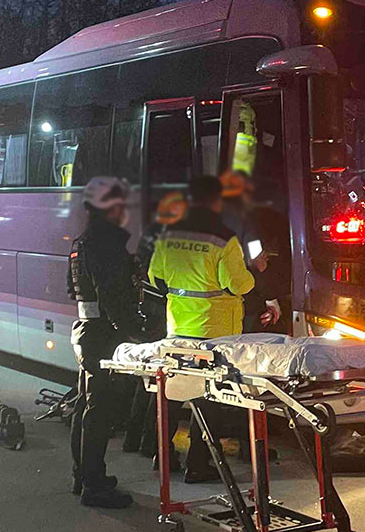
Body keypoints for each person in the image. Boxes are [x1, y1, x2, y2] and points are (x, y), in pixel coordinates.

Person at [148, 175, 258, 483]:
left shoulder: (169, 234)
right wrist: (254, 273)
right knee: (208, 398)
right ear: (216, 201)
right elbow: (237, 284)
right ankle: (198, 463)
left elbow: (155, 277)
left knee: (172, 394)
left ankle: (163, 456)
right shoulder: (224, 238)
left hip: (177, 328)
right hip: (213, 330)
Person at [67, 176, 144, 509]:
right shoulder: (107, 242)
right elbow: (111, 294)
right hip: (102, 335)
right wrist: (132, 333)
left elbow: (73, 289)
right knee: (100, 411)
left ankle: (83, 475)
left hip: (86, 329)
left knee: (85, 405)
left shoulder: (82, 242)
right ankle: (94, 486)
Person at [122, 191, 187, 458]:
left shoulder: (151, 233)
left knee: (147, 377)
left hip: (149, 310)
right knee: (164, 380)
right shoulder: (173, 238)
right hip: (164, 312)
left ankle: (133, 437)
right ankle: (153, 442)